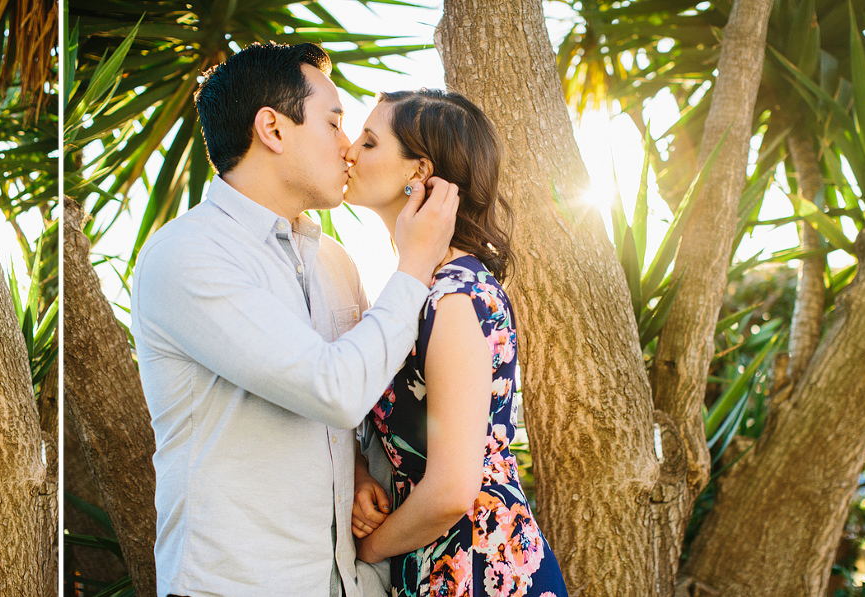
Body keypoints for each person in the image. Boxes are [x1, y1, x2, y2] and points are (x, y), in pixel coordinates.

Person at [131, 42, 459, 597]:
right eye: (333, 124)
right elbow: (332, 387)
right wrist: (416, 263)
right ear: (273, 130)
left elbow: (350, 412)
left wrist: (355, 471)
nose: (347, 148)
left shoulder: (333, 260)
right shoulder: (187, 255)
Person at [345, 89, 569, 597]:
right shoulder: (424, 288)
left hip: (479, 566)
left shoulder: (454, 296)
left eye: (370, 141)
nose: (350, 151)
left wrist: (371, 548)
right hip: (443, 560)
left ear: (418, 172)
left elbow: (450, 489)